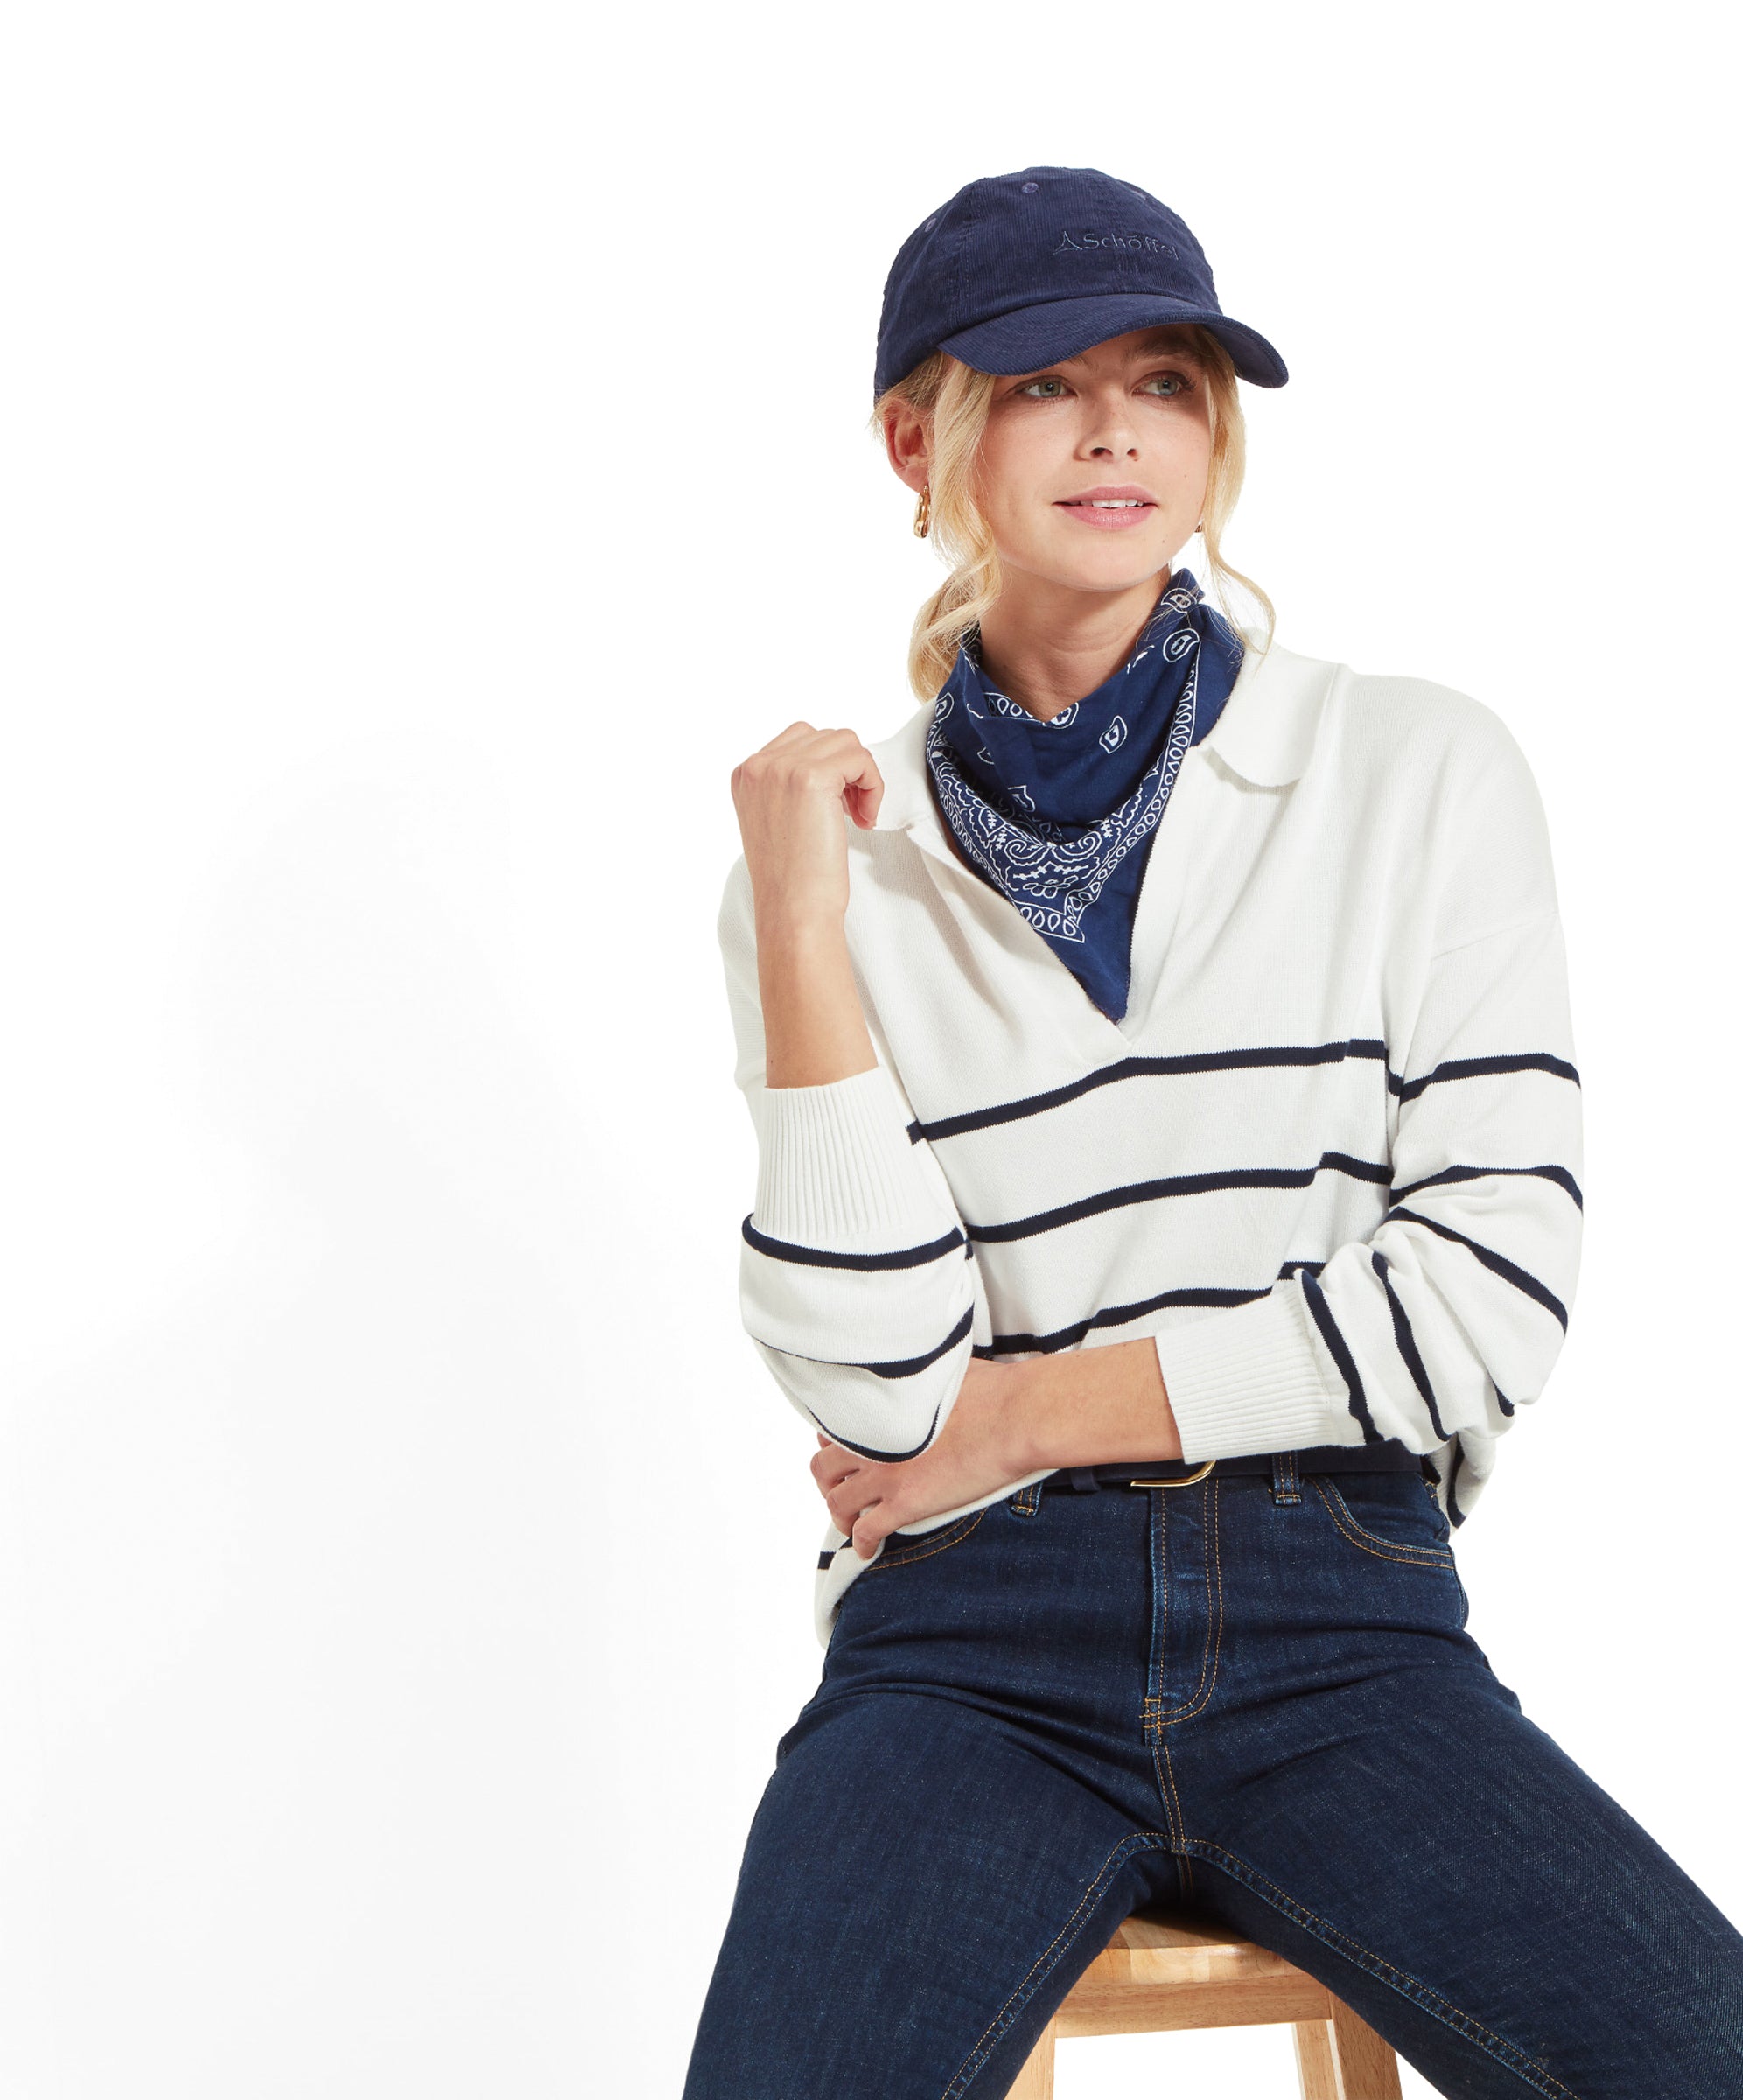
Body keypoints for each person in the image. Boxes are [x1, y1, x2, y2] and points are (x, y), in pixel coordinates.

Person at [681, 168, 1743, 2099]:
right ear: (916, 439)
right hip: (964, 1644)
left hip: (1342, 1611)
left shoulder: (1410, 768)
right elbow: (877, 1393)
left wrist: (1020, 1412)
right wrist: (809, 940)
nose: (1113, 429)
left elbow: (1491, 1300)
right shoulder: (827, 860)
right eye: (1036, 382)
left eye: (1164, 382)